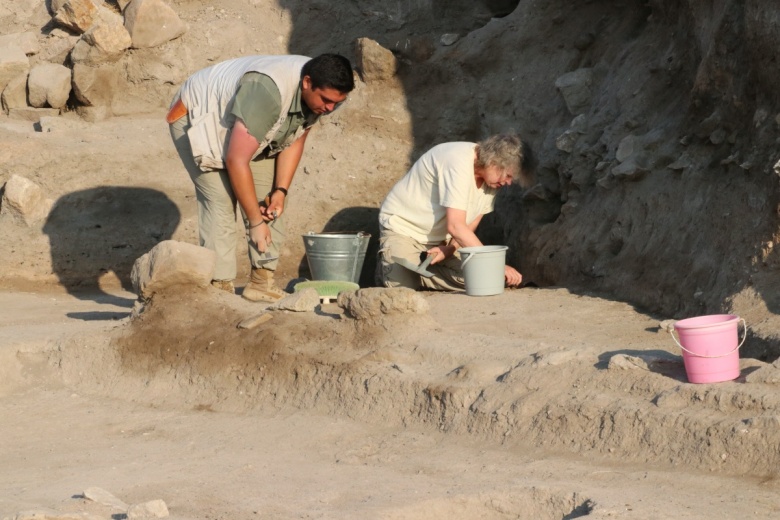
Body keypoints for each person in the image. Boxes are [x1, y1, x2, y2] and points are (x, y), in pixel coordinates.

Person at [168, 54, 355, 301]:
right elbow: (236, 160)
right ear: (308, 83)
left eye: (337, 103)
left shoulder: (319, 93)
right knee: (220, 201)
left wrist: (281, 190)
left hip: (249, 125)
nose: (330, 109)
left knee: (269, 202)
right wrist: (255, 223)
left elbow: (295, 137)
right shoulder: (267, 91)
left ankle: (261, 282)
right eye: (327, 101)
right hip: (199, 113)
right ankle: (220, 287)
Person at [377, 134, 534, 291]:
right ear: (494, 162)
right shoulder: (456, 161)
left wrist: (449, 249)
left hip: (442, 242)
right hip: (404, 231)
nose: (507, 183)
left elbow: (469, 224)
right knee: (403, 290)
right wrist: (495, 265)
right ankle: (391, 268)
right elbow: (456, 226)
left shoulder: (491, 181)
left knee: (489, 280)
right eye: (508, 176)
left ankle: (421, 272)